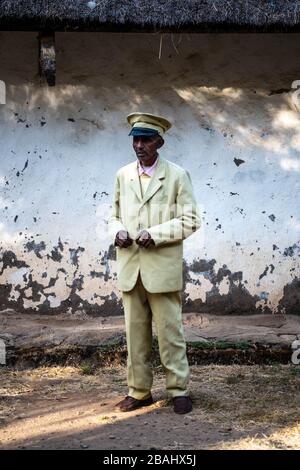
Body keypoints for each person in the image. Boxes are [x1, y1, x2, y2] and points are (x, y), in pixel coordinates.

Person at [108, 112, 201, 414]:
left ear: (159, 141)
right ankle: (139, 391)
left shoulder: (177, 175)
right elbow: (114, 215)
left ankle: (179, 390)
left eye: (146, 139)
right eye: (136, 139)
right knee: (135, 334)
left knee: (170, 333)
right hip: (130, 268)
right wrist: (117, 232)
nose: (139, 145)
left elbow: (191, 220)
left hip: (161, 268)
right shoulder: (122, 175)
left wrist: (156, 234)